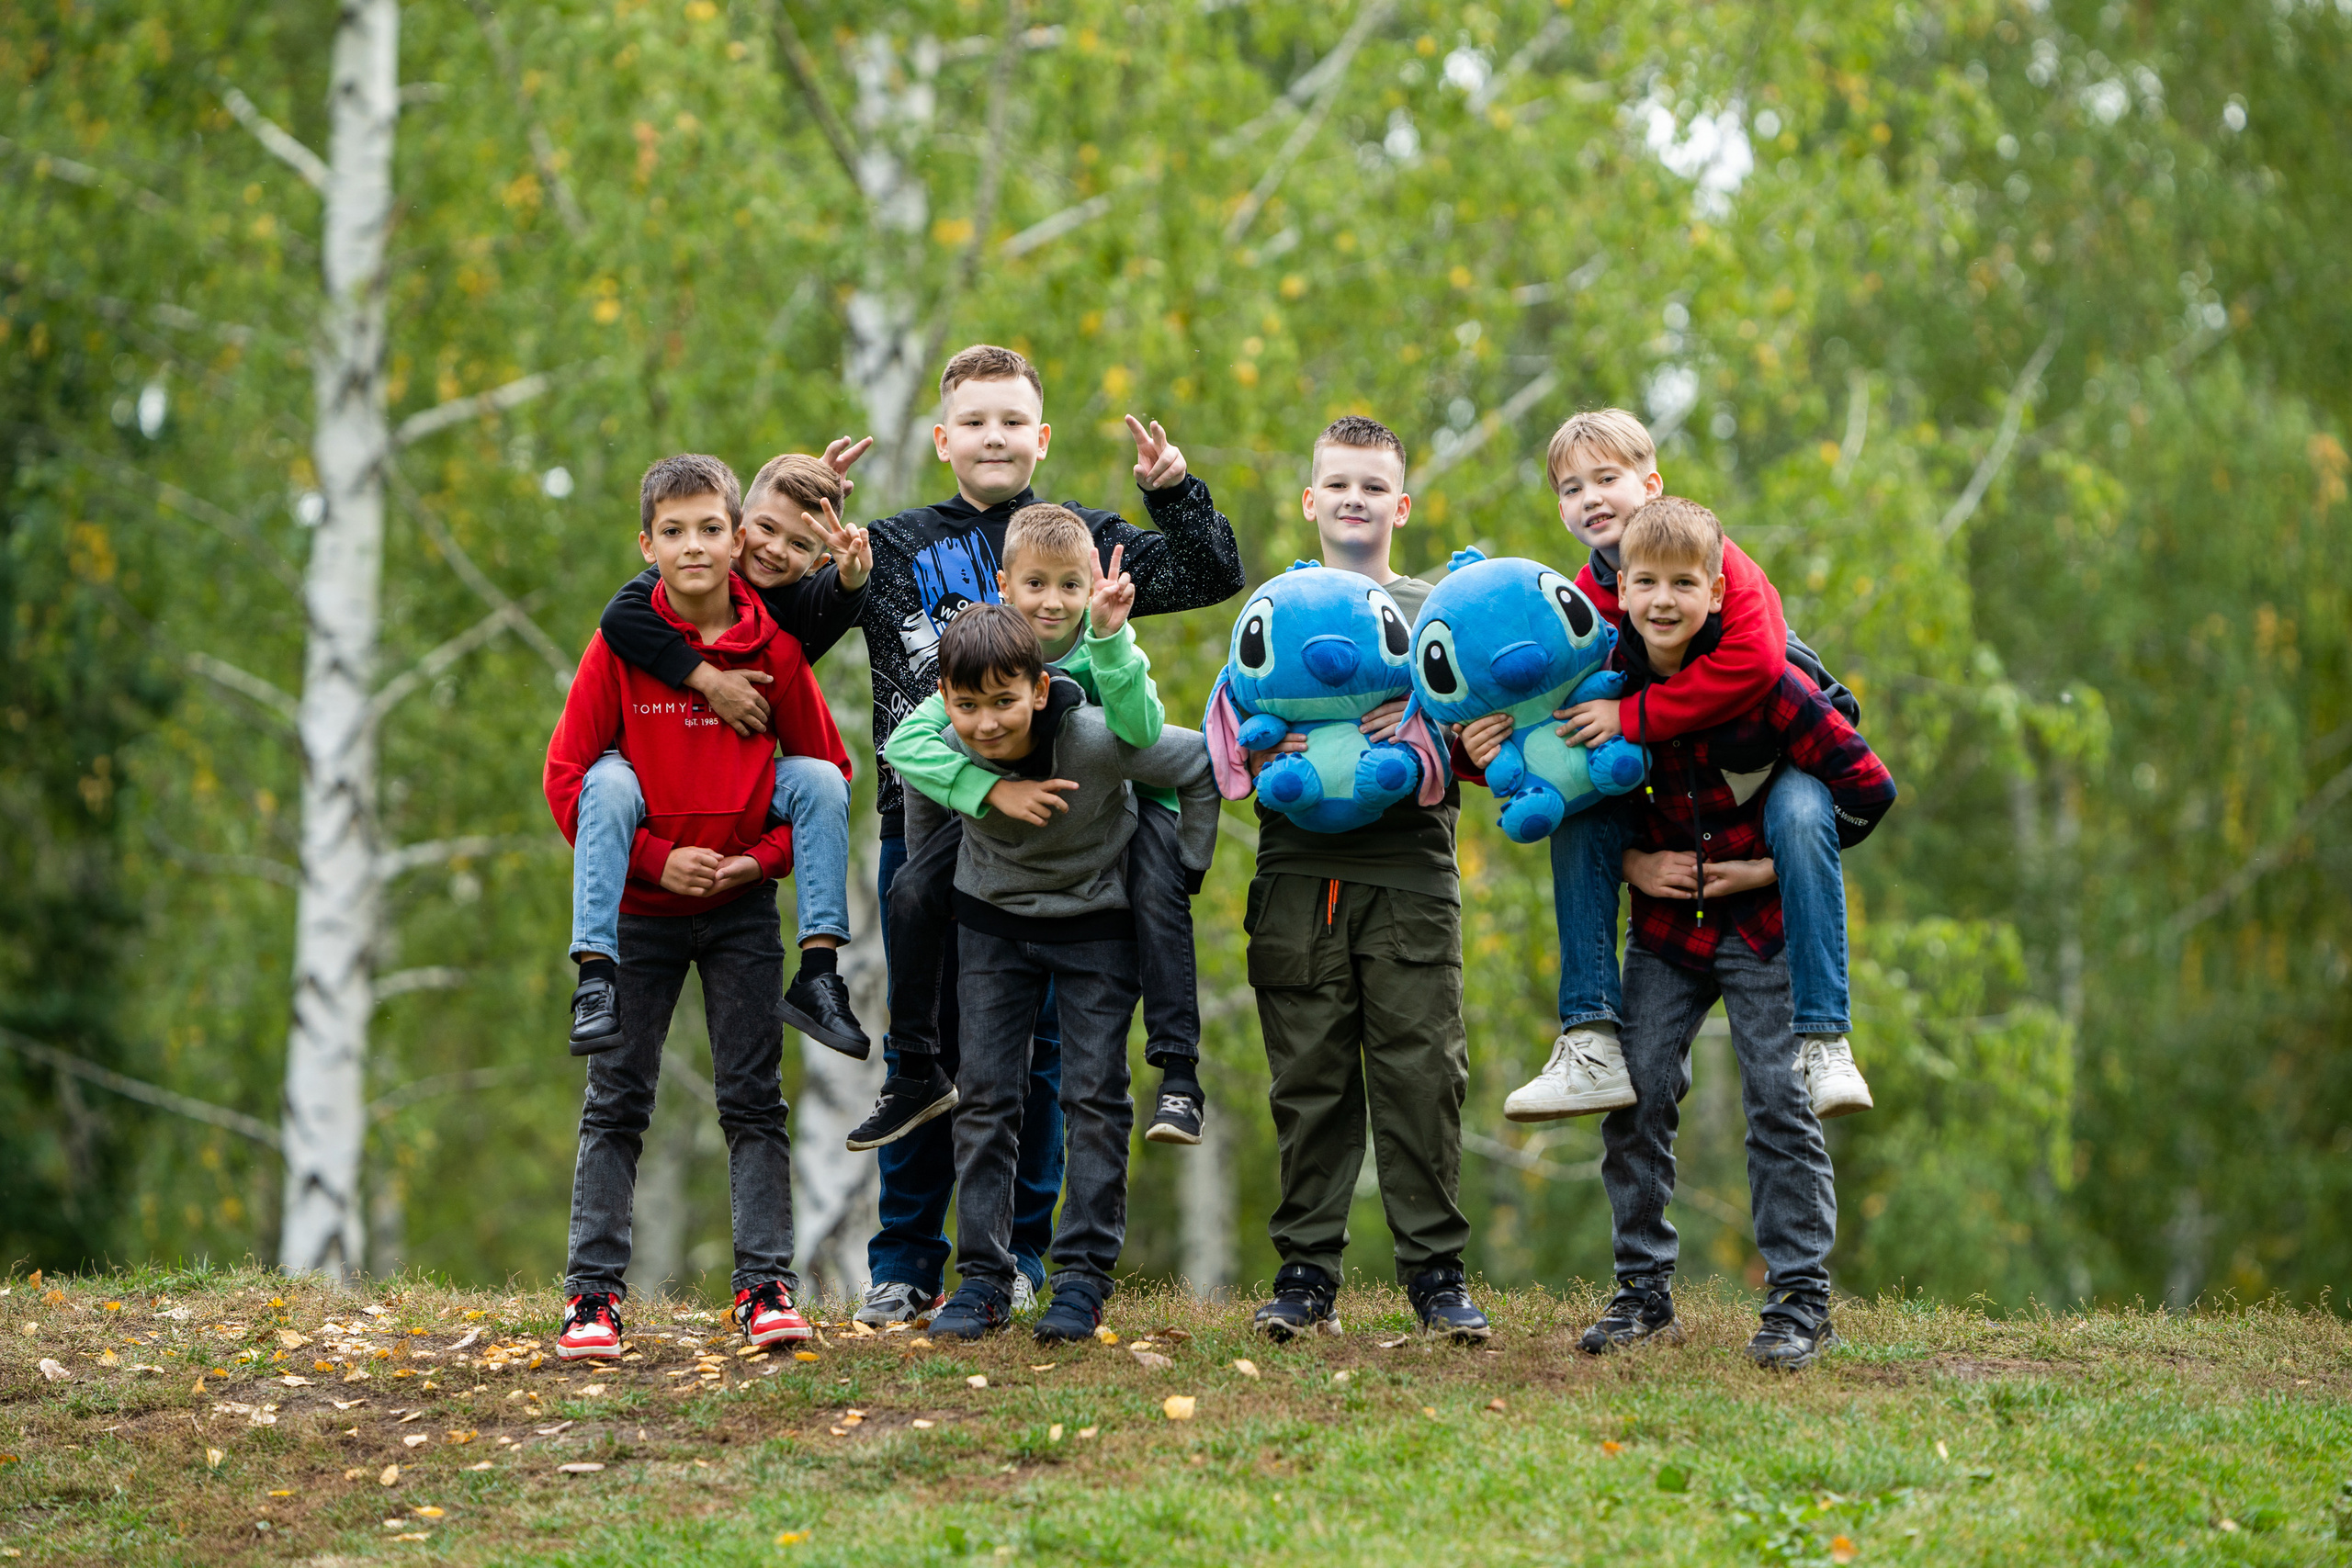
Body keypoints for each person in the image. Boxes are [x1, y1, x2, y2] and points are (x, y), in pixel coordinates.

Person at [598, 344, 1243, 1326]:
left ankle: (1017, 1254)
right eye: (974, 421)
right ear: (942, 440)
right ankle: (902, 1262)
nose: (993, 437)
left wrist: (1174, 491)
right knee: (927, 1051)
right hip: (930, 818)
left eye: (1012, 421)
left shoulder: (1075, 540)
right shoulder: (890, 545)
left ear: (1041, 438)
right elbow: (771, 639)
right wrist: (812, 550)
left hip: (1061, 842)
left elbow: (1210, 569)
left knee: (1035, 1059)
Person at [1467, 409, 1874, 1124]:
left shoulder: (1717, 565)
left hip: (1787, 756)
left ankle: (1825, 1040)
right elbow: (1553, 723)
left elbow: (1755, 665)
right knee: (1585, 811)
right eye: (1570, 488)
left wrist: (1630, 718)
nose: (1590, 497)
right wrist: (1479, 750)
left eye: (1607, 478)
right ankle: (1587, 1036)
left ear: (1650, 484)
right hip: (1682, 822)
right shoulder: (1583, 600)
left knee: (1803, 810)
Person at [543, 454, 854, 1359]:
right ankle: (591, 1300)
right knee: (616, 1102)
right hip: (639, 913)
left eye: (709, 528)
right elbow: (567, 781)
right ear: (647, 545)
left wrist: (753, 864)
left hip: (740, 912)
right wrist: (655, 860)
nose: (692, 546)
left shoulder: (778, 651)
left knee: (755, 1102)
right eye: (672, 532)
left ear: (739, 539)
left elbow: (826, 778)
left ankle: (765, 1289)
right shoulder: (621, 646)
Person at [1576, 497, 1895, 1369]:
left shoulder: (1771, 684)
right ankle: (1642, 1291)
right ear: (1622, 592)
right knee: (1634, 1094)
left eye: (1685, 583)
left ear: (1718, 594)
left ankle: (1800, 1299)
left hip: (1761, 925)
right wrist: (1638, 863)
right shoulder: (1603, 678)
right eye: (1646, 582)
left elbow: (1870, 789)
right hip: (1667, 928)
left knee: (1779, 1101)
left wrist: (1771, 868)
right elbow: (1569, 785)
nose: (1664, 599)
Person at [1232, 415, 1489, 1345]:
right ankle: (1304, 1276)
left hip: (1410, 869)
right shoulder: (1276, 608)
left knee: (1423, 1077)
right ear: (1309, 501)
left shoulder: (1438, 607)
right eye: (1337, 483)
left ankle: (1435, 1275)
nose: (1354, 499)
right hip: (1297, 871)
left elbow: (1481, 728)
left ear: (1402, 505)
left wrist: (1434, 727)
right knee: (1310, 1081)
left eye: (1373, 486)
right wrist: (1277, 747)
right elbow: (1234, 719)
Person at [904, 604, 1220, 1344]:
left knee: (1094, 1096)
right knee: (984, 1097)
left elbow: (1200, 761)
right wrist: (944, 870)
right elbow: (918, 781)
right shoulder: (944, 745)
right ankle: (983, 1279)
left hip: (1096, 925)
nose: (985, 723)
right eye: (967, 705)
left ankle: (1082, 1277)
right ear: (946, 700)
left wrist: (1186, 867)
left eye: (1003, 701)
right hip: (992, 926)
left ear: (1040, 690)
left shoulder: (1097, 740)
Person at [869, 502, 1207, 1156]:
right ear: (1004, 586)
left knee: (1159, 896)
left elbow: (1140, 734)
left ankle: (1180, 1069)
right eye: (1035, 585)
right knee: (911, 889)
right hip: (1008, 820)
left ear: (1089, 587)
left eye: (1069, 586)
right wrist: (991, 789)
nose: (1052, 602)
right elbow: (906, 745)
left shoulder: (1105, 640)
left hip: (1125, 804)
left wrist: (1111, 641)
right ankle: (914, 1064)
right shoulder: (987, 653)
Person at [566, 453, 874, 1060]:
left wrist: (851, 579)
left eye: (797, 543)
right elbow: (618, 616)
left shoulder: (786, 625)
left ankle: (819, 972)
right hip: (657, 831)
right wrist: (708, 679)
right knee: (605, 778)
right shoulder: (650, 604)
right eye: (764, 529)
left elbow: (834, 605)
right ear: (741, 532)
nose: (774, 550)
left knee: (817, 780)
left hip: (744, 814)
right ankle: (593, 977)